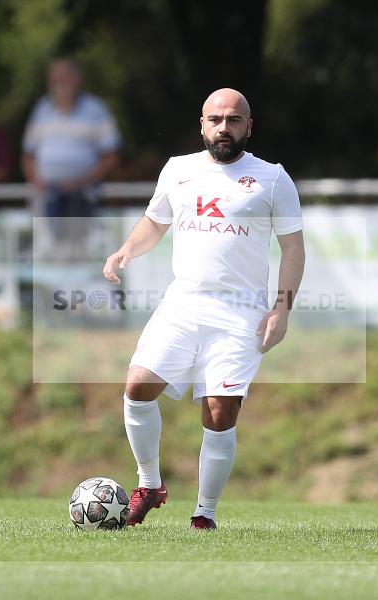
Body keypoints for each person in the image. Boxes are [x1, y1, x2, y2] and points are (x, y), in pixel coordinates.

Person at [102, 88, 305, 529]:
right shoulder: (179, 170)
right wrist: (126, 251)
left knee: (219, 411)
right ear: (202, 125)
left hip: (240, 314)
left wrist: (281, 308)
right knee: (137, 386)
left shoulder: (272, 179)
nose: (224, 128)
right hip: (183, 303)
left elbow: (292, 248)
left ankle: (204, 514)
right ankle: (149, 484)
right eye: (216, 120)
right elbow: (155, 222)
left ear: (249, 127)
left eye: (234, 120)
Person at [22, 59, 120, 249]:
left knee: (79, 250)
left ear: (78, 79)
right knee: (48, 250)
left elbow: (111, 155)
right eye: (56, 78)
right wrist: (36, 182)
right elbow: (28, 155)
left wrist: (83, 181)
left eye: (65, 77)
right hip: (47, 195)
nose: (60, 82)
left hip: (83, 194)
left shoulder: (96, 109)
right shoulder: (41, 109)